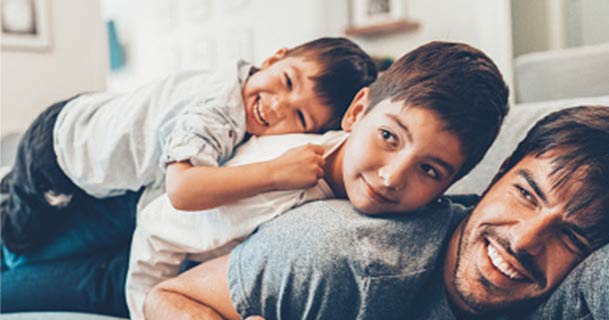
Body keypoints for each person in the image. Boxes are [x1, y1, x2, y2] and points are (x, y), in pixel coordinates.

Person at [143, 106, 609, 320]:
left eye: (572, 236)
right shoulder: (336, 255)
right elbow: (165, 296)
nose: (523, 241)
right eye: (525, 193)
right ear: (494, 179)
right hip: (161, 219)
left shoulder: (574, 299)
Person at [126, 40, 510, 320]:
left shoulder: (415, 221)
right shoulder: (279, 162)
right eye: (389, 136)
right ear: (357, 112)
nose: (392, 177)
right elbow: (163, 226)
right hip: (148, 232)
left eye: (429, 170)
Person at [0, 37, 376, 263]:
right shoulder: (217, 111)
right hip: (60, 150)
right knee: (22, 232)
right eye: (287, 81)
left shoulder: (237, 87)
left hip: (84, 117)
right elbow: (183, 190)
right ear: (275, 57)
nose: (278, 106)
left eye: (300, 116)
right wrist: (275, 172)